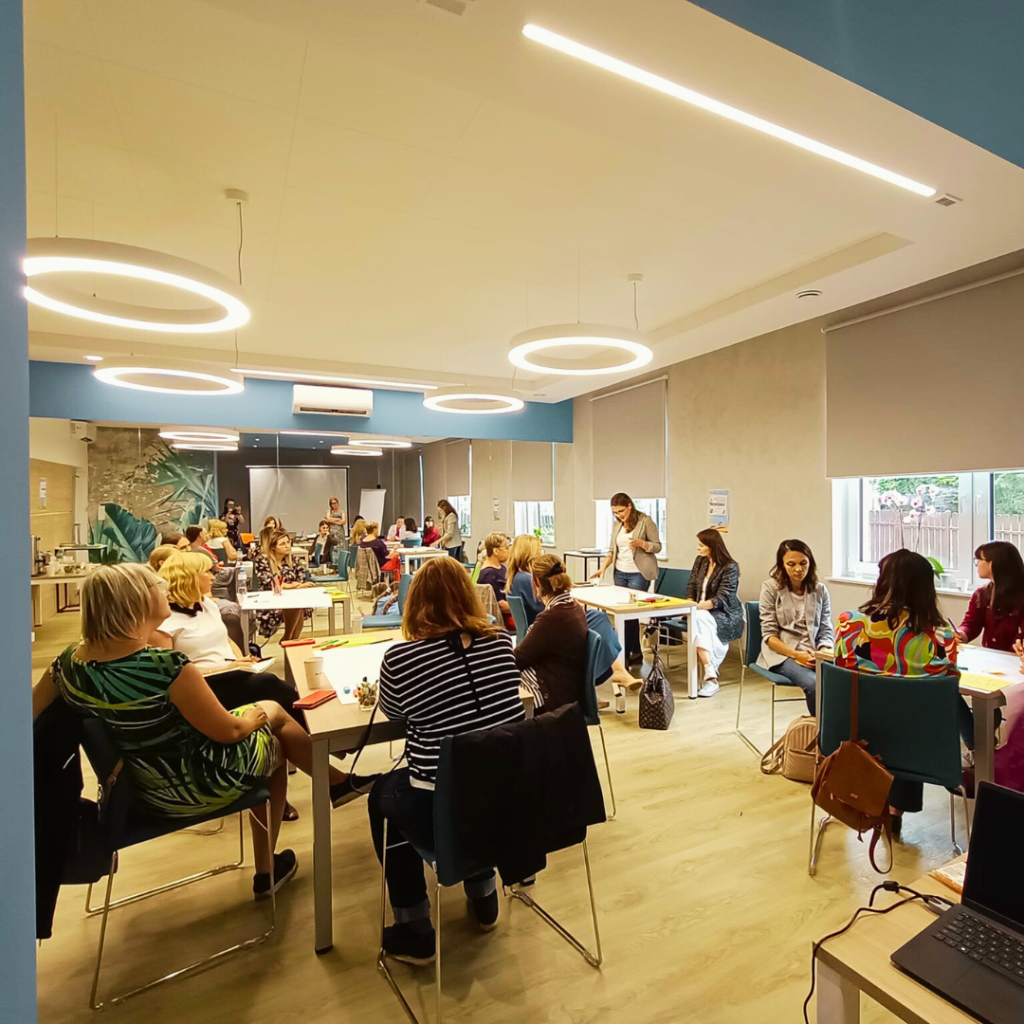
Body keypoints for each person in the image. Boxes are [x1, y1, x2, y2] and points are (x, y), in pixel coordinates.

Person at [31, 564, 373, 899]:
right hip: (197, 783)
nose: (165, 590)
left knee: (270, 714)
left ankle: (333, 785)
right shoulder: (166, 667)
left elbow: (31, 712)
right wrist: (252, 719)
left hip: (136, 792)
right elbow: (230, 732)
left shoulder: (69, 663)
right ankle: (272, 861)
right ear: (136, 601)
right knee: (274, 733)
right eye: (158, 587)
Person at [369, 557, 525, 963]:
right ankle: (484, 895)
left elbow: (394, 713)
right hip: (509, 803)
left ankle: (414, 924)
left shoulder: (400, 660)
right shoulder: (502, 645)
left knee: (383, 796)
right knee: (476, 775)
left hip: (444, 811)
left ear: (415, 604)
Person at [154, 551, 307, 819]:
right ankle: (320, 743)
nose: (214, 576)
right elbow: (171, 675)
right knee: (273, 686)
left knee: (271, 690)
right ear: (188, 577)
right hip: (202, 688)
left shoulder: (207, 604)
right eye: (207, 572)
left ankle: (286, 784)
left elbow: (226, 640)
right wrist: (224, 668)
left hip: (230, 675)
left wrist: (241, 659)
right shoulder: (164, 622)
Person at [834, 548, 968, 839]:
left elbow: (842, 671)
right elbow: (949, 684)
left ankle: (879, 807)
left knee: (892, 709)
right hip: (919, 750)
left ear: (882, 581)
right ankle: (895, 812)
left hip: (858, 736)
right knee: (911, 710)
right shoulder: (942, 636)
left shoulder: (850, 624)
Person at [757, 540, 834, 714]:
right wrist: (797, 655)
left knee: (845, 679)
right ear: (782, 565)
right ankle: (818, 728)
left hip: (814, 652)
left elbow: (826, 628)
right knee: (814, 683)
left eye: (803, 563)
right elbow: (769, 635)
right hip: (783, 654)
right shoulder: (770, 588)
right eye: (791, 564)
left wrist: (823, 651)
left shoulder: (820, 590)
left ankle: (839, 727)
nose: (798, 569)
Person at [590, 493, 662, 663]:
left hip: (638, 573)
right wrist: (603, 568)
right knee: (624, 613)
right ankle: (635, 652)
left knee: (629, 614)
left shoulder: (645, 521)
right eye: (615, 512)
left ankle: (624, 656)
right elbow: (612, 550)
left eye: (621, 511)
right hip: (620, 572)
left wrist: (641, 544)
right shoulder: (617, 525)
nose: (618, 515)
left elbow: (657, 546)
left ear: (630, 506)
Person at [684, 529, 743, 697]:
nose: (698, 548)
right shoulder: (700, 561)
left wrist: (696, 608)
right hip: (699, 611)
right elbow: (691, 585)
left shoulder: (730, 567)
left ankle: (710, 674)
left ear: (712, 546)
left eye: (702, 545)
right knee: (699, 619)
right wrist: (690, 602)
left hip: (723, 612)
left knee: (699, 619)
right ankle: (710, 674)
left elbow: (723, 597)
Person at [955, 541, 1024, 651]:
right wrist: (961, 633)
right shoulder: (981, 594)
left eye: (979, 560)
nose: (977, 564)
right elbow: (971, 623)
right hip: (991, 655)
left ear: (994, 563)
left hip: (1017, 657)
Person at [252, 529, 316, 641]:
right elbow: (269, 583)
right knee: (296, 604)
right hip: (270, 602)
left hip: (292, 599)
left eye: (288, 542)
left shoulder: (293, 560)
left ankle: (290, 639)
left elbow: (301, 579)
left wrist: (295, 585)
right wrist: (291, 586)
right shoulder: (262, 561)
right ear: (273, 547)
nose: (287, 546)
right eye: (282, 544)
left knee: (298, 604)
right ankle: (288, 638)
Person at [477, 532, 513, 628]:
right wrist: (523, 608)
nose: (509, 551)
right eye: (506, 548)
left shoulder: (502, 568)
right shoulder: (489, 575)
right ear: (496, 551)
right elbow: (501, 605)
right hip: (505, 619)